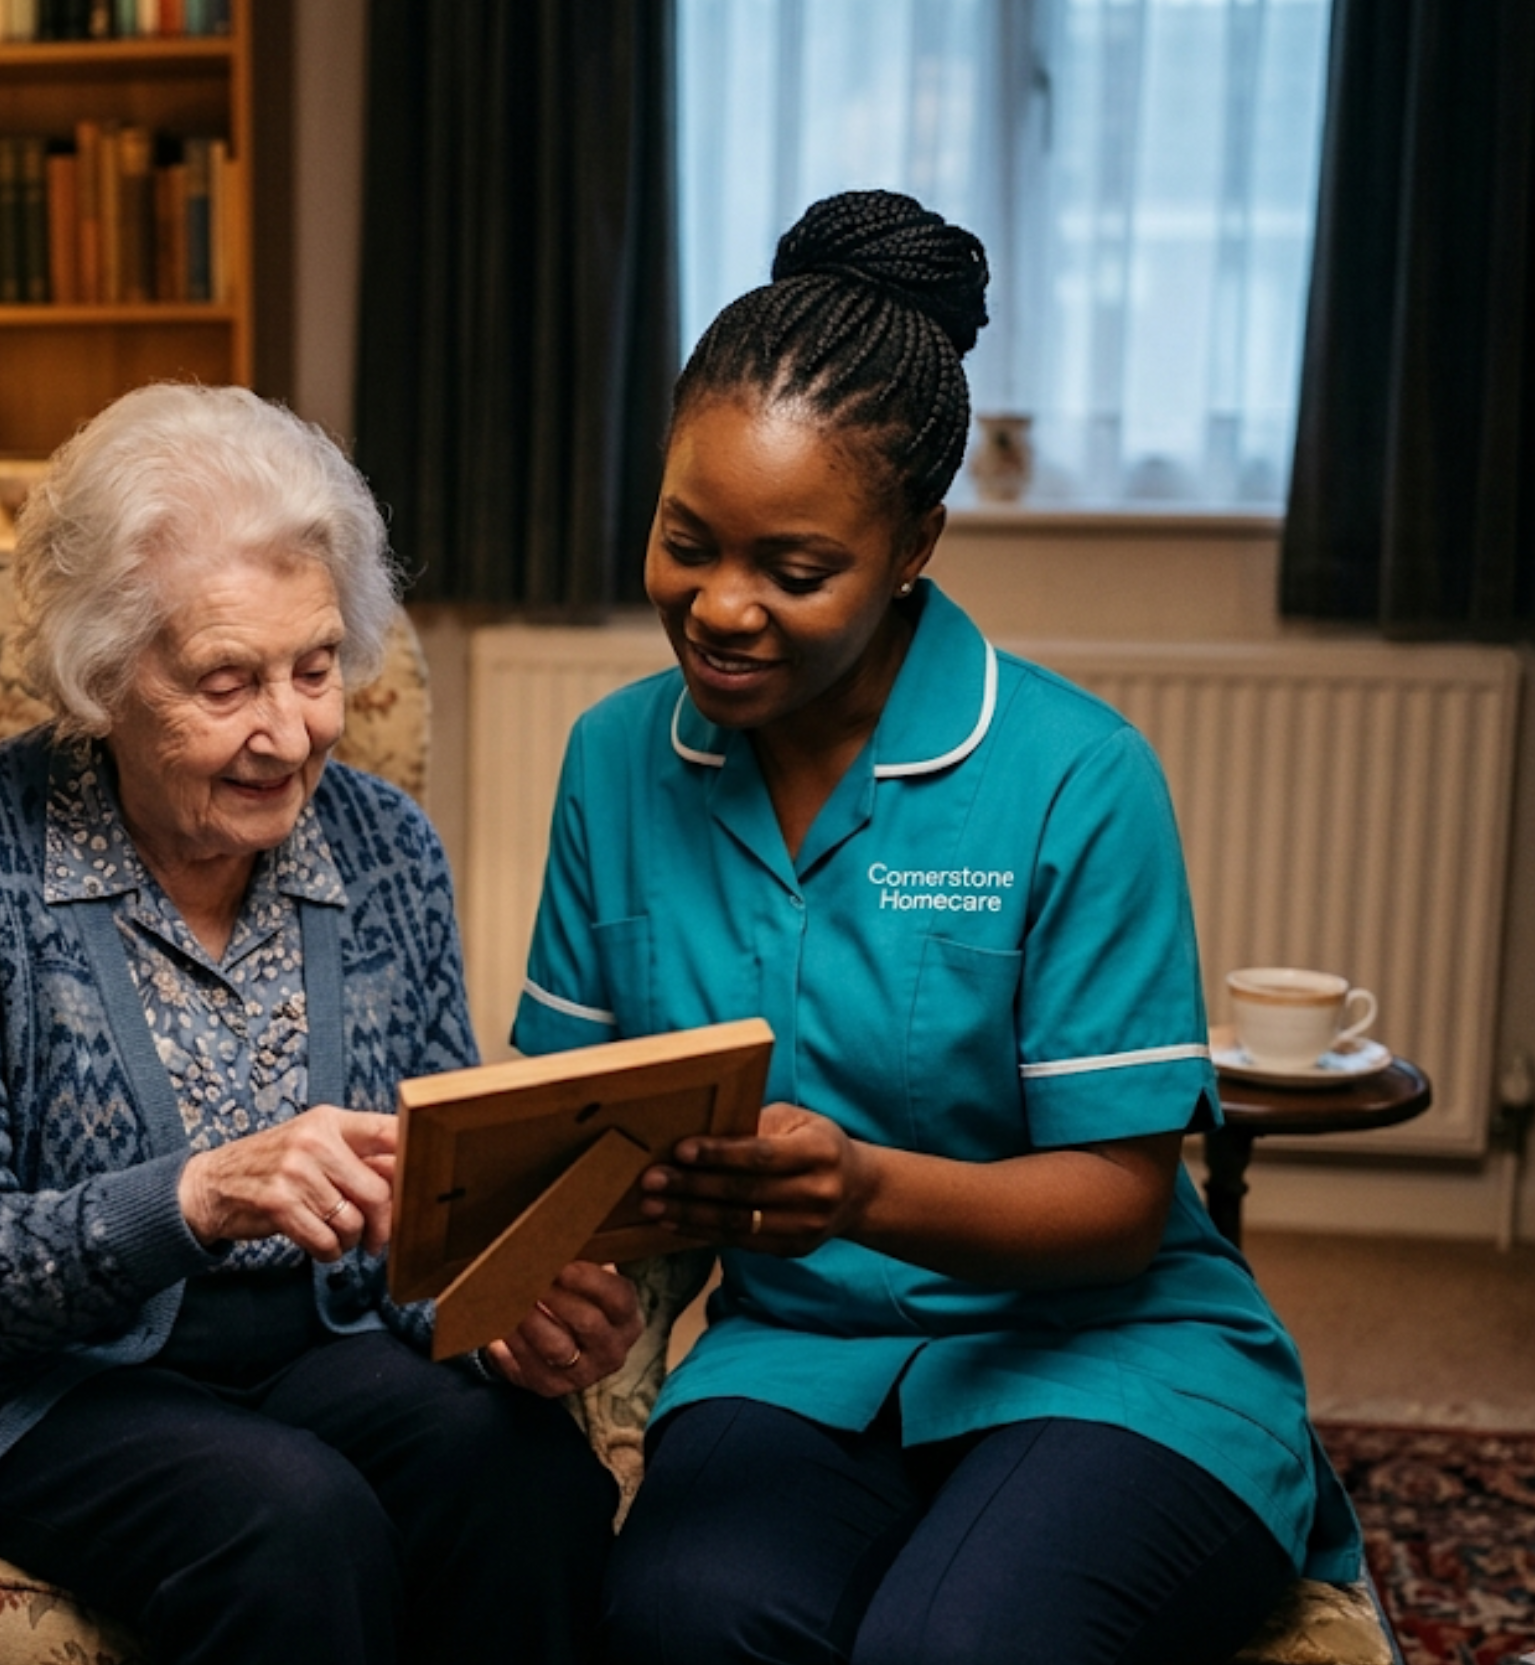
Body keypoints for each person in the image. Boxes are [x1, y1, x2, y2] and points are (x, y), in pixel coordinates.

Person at [513, 192, 1362, 1665]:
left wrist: (858, 1192)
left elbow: (1113, 1203)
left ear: (914, 545)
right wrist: (547, 1257)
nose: (720, 607)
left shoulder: (1073, 777)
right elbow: (576, 1135)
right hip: (795, 1360)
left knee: (950, 1644)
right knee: (675, 1619)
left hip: (1105, 1357)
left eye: (793, 569)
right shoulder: (613, 762)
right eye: (684, 539)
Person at [0, 381, 636, 1665]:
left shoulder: (386, 851)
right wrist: (194, 1198)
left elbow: (428, 1218)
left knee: (524, 1480)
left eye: (315, 668)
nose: (287, 731)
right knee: (292, 1529)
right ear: (102, 675)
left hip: (315, 1346)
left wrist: (498, 1311)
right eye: (224, 681)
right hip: (40, 1386)